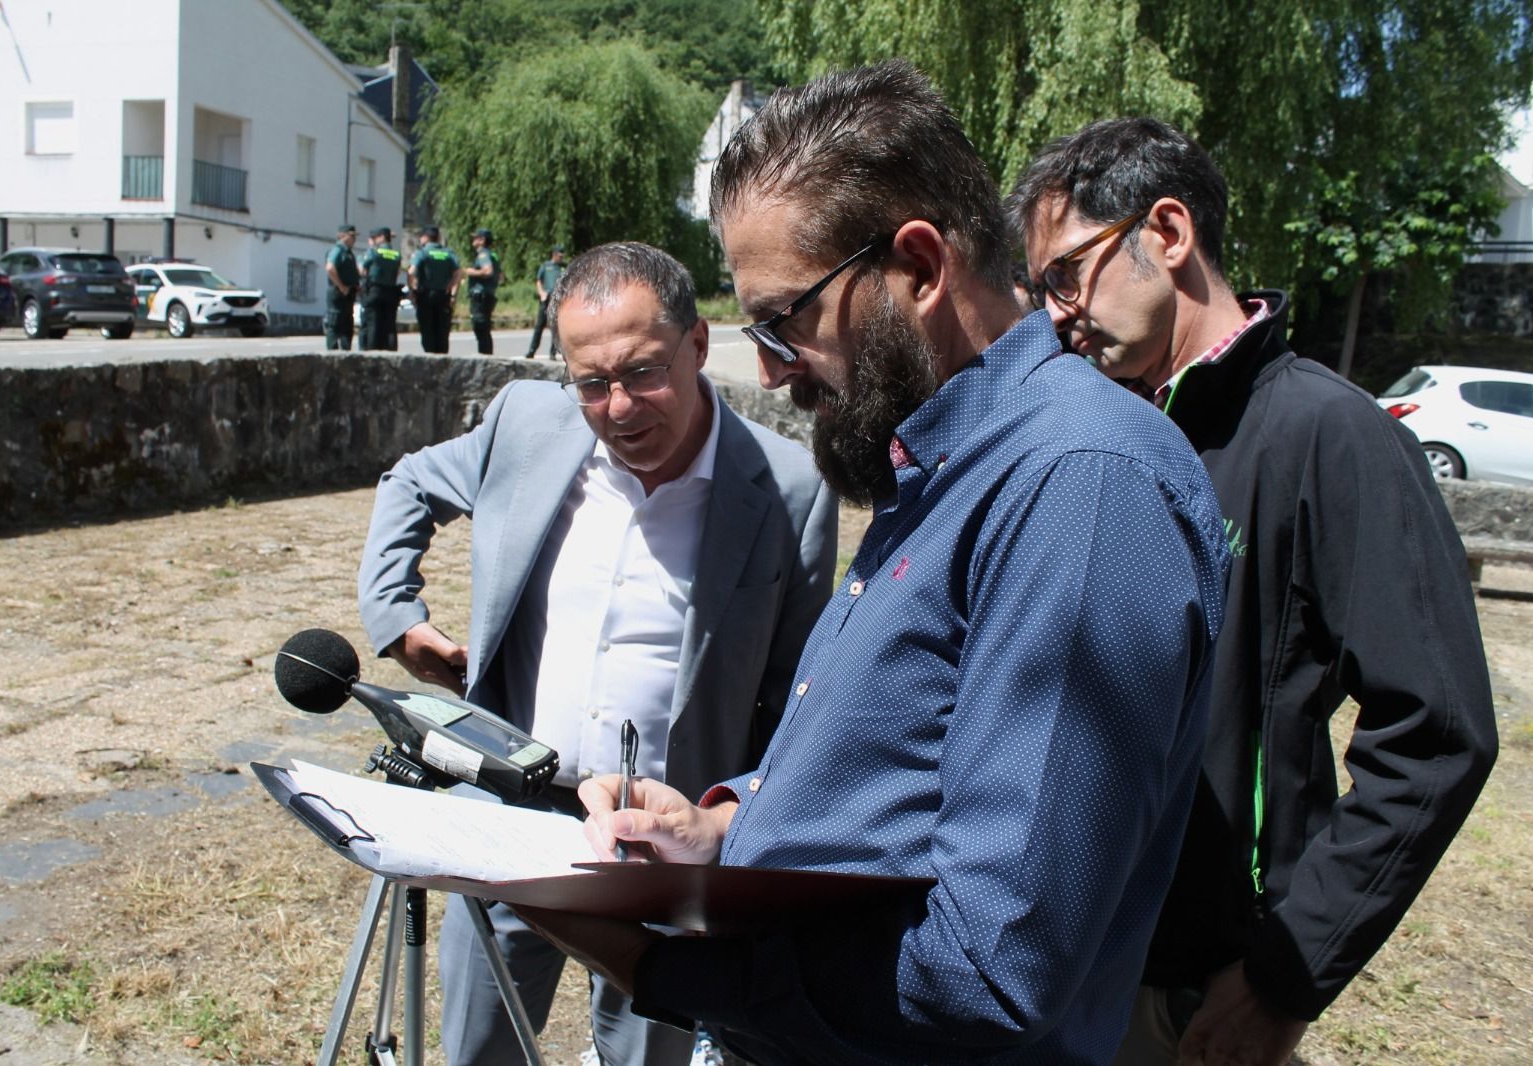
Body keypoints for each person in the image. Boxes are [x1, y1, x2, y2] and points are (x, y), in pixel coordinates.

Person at [515, 61, 1233, 1066]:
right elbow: (905, 759)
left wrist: (657, 968)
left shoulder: (1079, 483)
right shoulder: (939, 457)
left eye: (784, 319)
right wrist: (724, 823)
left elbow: (989, 965)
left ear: (921, 268)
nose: (765, 366)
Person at [1007, 117, 1498, 1066]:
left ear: (1170, 233)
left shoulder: (1331, 436)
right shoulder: (1103, 431)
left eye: (1067, 273)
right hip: (1056, 975)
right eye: (1041, 290)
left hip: (1189, 1000)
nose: (1056, 313)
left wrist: (1288, 969)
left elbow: (1437, 732)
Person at [357, 241, 838, 1066]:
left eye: (643, 372)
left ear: (696, 347)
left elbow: (794, 700)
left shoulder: (793, 489)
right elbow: (410, 483)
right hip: (510, 819)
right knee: (478, 1049)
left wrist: (734, 837)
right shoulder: (525, 425)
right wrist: (398, 617)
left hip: (661, 848)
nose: (618, 407)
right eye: (592, 383)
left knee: (647, 1056)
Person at [409, 225, 462, 355]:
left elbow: (411, 272)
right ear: (437, 238)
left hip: (426, 296)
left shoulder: (422, 253)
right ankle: (442, 361)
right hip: (443, 296)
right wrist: (451, 289)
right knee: (442, 331)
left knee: (428, 331)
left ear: (426, 237)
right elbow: (459, 273)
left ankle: (431, 359)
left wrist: (413, 291)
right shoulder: (448, 253)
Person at [358, 226, 404, 351]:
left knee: (373, 323)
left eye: (376, 237)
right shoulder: (397, 254)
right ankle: (391, 350)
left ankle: (373, 352)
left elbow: (362, 270)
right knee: (390, 325)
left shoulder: (374, 252)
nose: (375, 240)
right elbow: (398, 271)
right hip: (391, 291)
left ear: (382, 237)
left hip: (375, 290)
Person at [464, 226, 502, 354]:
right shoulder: (493, 255)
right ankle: (487, 356)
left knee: (480, 328)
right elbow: (501, 276)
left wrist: (470, 271)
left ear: (482, 240)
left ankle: (485, 358)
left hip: (480, 296)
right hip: (489, 295)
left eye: (476, 237)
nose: (473, 240)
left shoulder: (483, 254)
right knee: (485, 329)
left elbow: (488, 271)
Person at [526, 243, 566, 359]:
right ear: (554, 254)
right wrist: (541, 292)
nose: (561, 257)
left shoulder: (564, 267)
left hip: (558, 300)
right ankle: (532, 350)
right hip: (546, 299)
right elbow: (538, 280)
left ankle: (552, 353)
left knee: (555, 327)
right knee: (539, 326)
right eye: (559, 254)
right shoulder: (545, 266)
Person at [324, 223, 359, 351]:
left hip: (348, 294)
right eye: (351, 236)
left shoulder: (348, 252)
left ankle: (346, 354)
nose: (354, 239)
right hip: (338, 292)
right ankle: (332, 356)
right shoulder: (338, 250)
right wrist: (341, 286)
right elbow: (330, 268)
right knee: (334, 324)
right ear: (342, 236)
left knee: (347, 326)